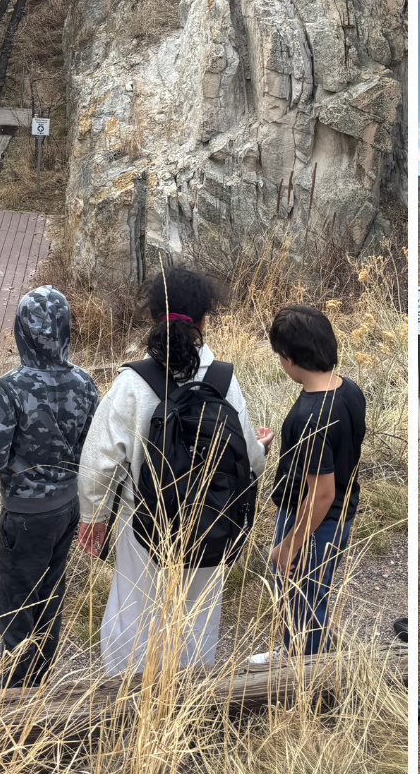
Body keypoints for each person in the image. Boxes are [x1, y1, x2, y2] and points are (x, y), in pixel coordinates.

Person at [76, 266, 270, 674]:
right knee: (198, 613)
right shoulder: (223, 381)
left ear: (150, 316)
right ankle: (190, 696)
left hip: (144, 520)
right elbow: (249, 459)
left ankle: (130, 696)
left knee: (134, 606)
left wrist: (93, 516)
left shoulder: (131, 384)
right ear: (203, 321)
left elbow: (99, 459)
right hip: (211, 518)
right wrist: (261, 451)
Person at [0, 286, 98, 687]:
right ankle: (39, 676)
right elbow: (90, 448)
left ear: (21, 330)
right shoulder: (86, 383)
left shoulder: (12, 386)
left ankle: (14, 691)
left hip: (26, 513)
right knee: (49, 594)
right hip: (68, 507)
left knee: (14, 603)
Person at [258, 304, 367, 665]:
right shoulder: (348, 390)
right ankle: (294, 649)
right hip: (340, 515)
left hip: (314, 520)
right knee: (308, 594)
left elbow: (322, 492)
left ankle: (306, 676)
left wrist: (290, 544)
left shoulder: (311, 415)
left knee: (302, 597)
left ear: (287, 358)